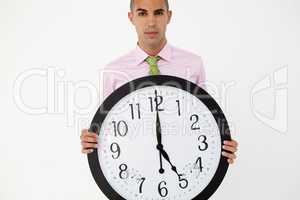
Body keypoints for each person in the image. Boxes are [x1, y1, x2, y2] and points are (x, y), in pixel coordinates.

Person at [80, 0, 238, 164]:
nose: (151, 22)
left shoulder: (193, 64)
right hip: (136, 160)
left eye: (158, 13)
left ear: (168, 16)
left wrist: (222, 141)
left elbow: (204, 120)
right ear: (131, 17)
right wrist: (91, 139)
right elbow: (107, 129)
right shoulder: (114, 72)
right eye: (142, 13)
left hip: (181, 158)